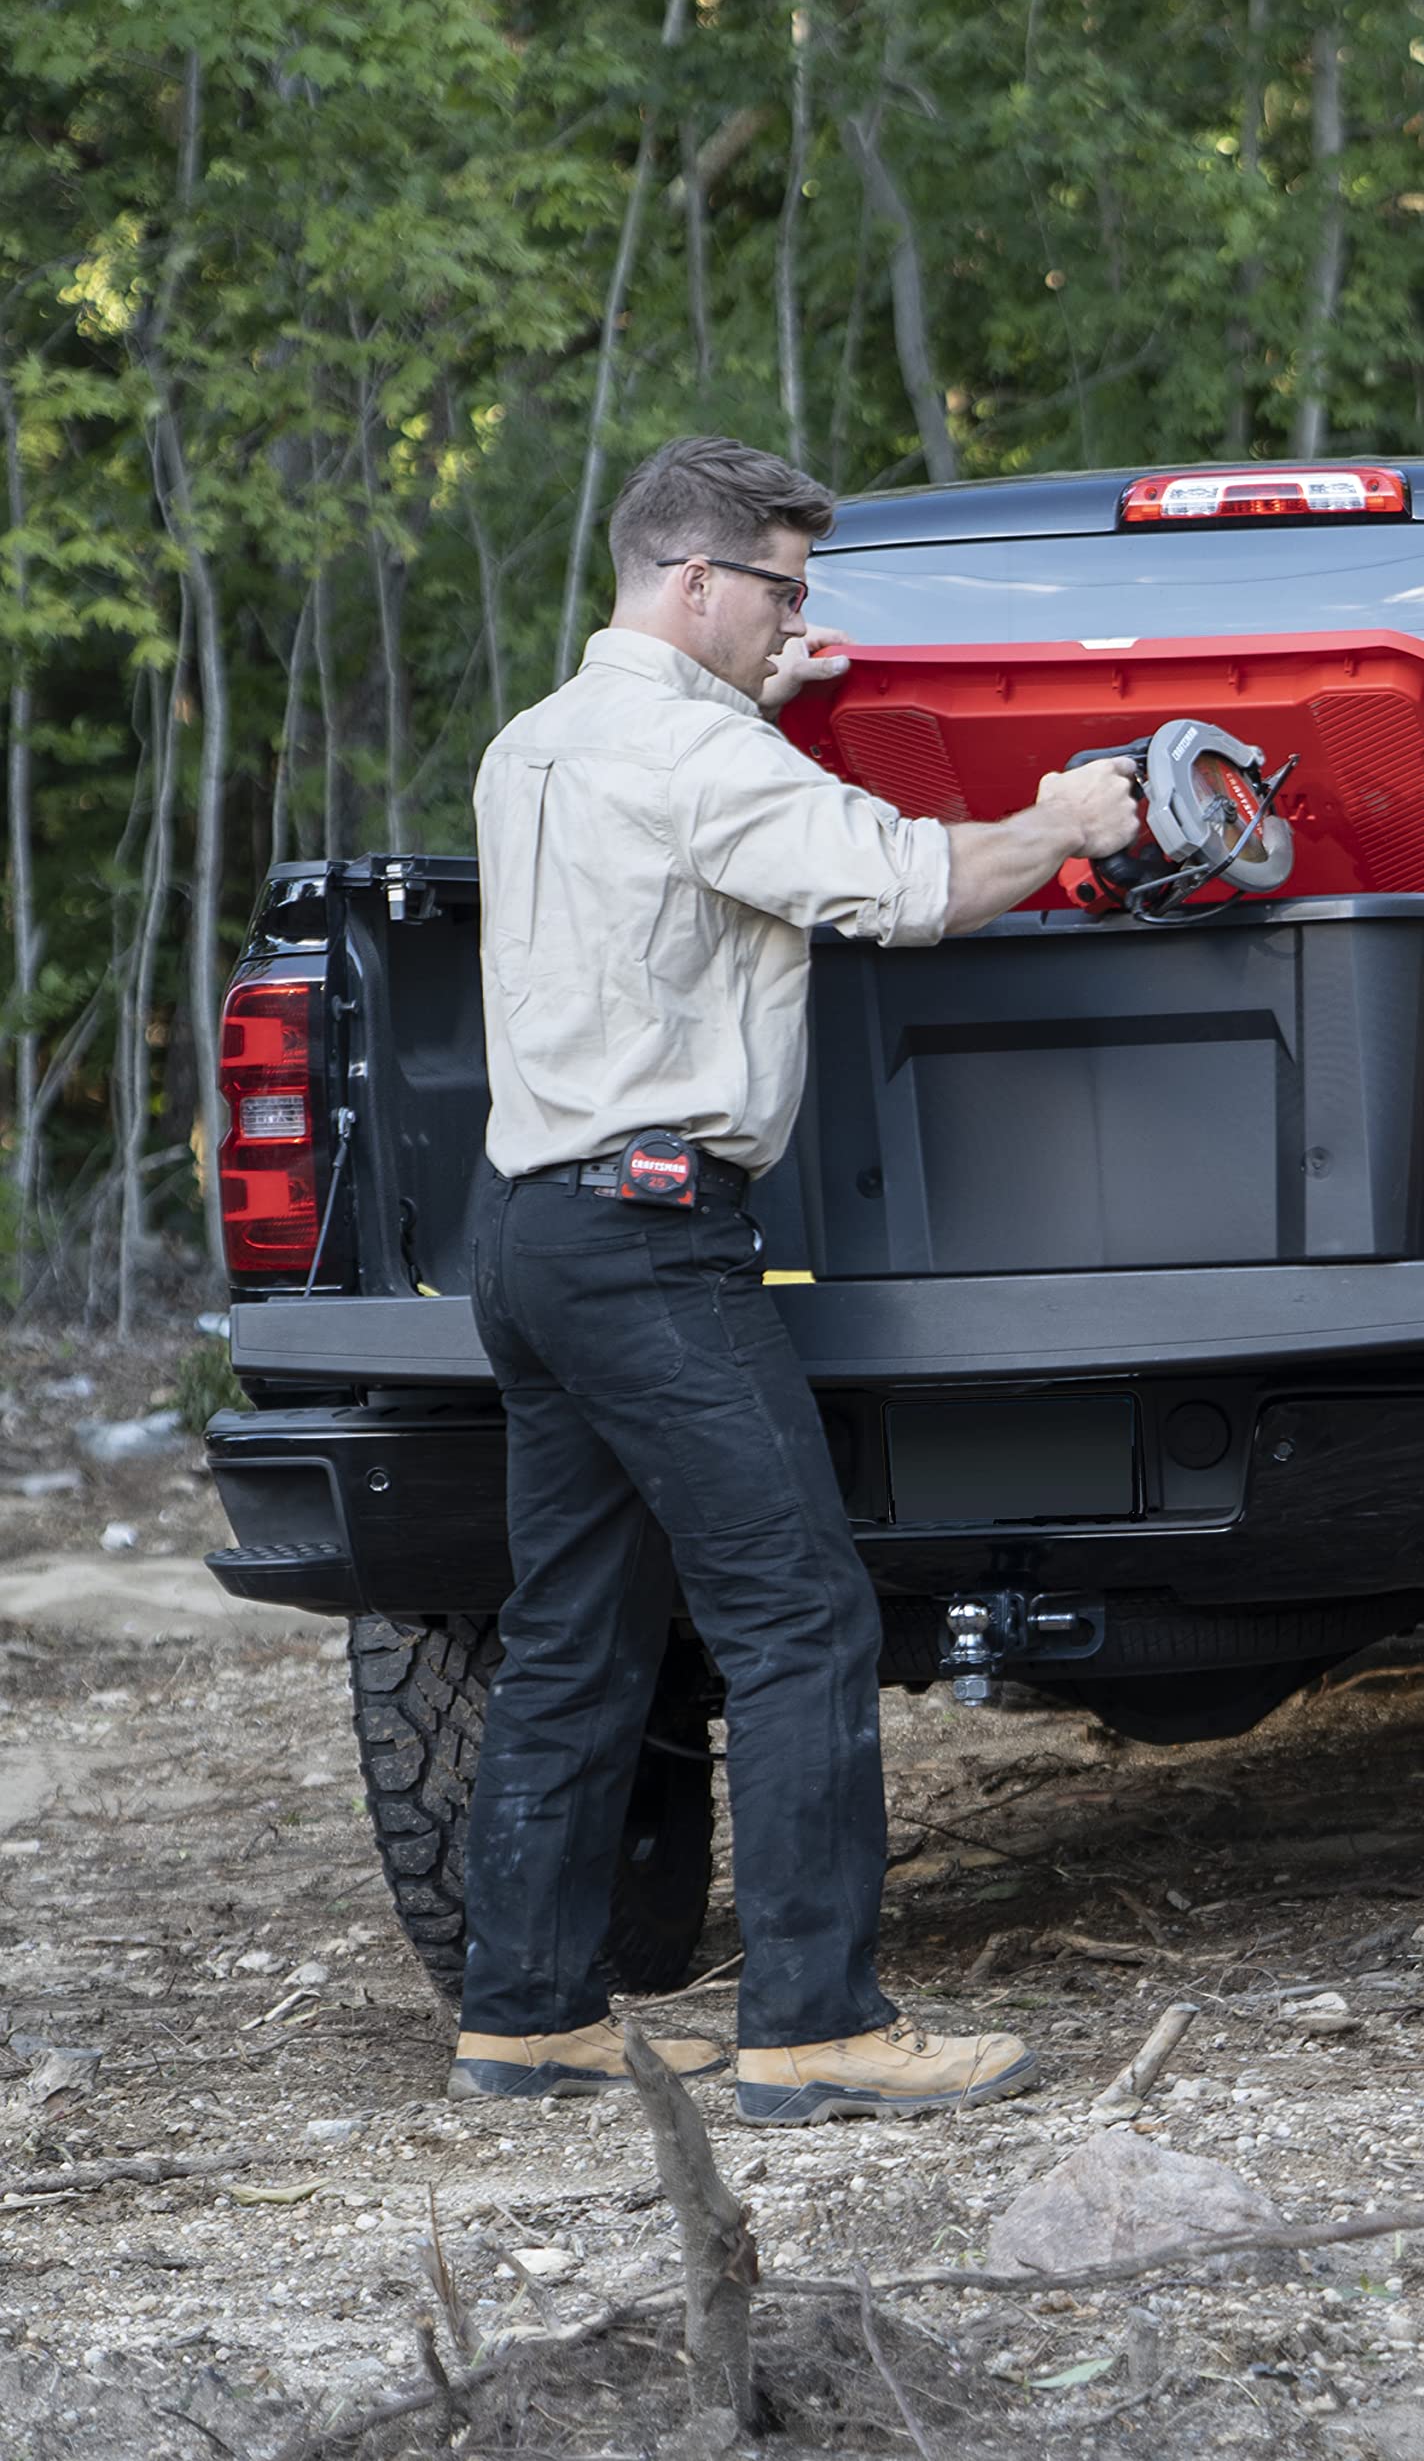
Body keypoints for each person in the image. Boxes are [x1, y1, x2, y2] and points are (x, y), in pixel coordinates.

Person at [449, 435, 1142, 2123]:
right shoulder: (699, 758)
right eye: (781, 591)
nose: (794, 619)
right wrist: (1060, 819)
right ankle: (818, 2023)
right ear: (696, 580)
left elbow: (684, 819)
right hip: (652, 1244)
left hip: (533, 1235)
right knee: (800, 1616)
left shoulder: (536, 744)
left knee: (574, 1627)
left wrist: (770, 697)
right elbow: (913, 885)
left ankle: (529, 2014)